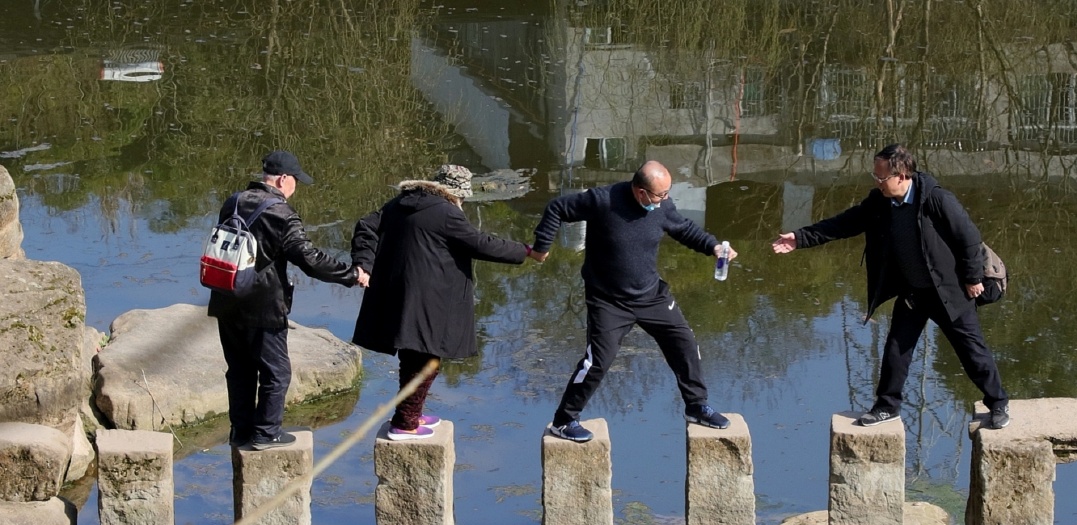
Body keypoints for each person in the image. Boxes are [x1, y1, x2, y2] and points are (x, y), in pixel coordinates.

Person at [772, 144, 1009, 430]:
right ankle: (887, 407)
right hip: (913, 293)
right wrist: (800, 238)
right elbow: (844, 223)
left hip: (948, 291)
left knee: (972, 351)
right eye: (875, 176)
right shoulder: (880, 202)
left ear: (902, 175)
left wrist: (972, 278)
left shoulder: (936, 199)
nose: (877, 182)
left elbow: (969, 238)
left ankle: (998, 403)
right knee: (896, 349)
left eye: (882, 177)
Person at [530, 160, 736, 443]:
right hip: (609, 300)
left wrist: (713, 246)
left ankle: (696, 406)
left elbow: (684, 229)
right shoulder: (603, 200)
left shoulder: (662, 206)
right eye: (660, 195)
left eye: (667, 193)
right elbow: (557, 208)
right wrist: (542, 246)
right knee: (597, 362)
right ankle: (564, 421)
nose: (665, 200)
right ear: (641, 192)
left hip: (651, 295)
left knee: (684, 343)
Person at [351, 164, 528, 439]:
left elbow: (365, 226)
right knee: (426, 360)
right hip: (429, 299)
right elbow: (479, 243)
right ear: (456, 193)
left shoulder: (399, 203)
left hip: (401, 293)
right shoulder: (446, 212)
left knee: (414, 355)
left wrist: (364, 262)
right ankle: (405, 423)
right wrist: (524, 251)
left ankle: (412, 413)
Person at [207, 149, 368, 450]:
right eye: (296, 180)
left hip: (227, 297)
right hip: (263, 306)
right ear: (283, 179)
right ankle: (267, 433)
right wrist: (350, 274)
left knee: (240, 370)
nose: (296, 186)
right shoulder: (281, 213)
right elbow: (309, 259)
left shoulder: (234, 201)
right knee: (276, 372)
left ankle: (240, 431)